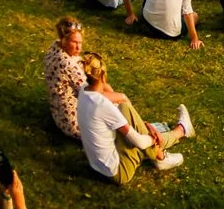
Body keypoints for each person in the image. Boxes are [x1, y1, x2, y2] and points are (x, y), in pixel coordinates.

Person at [74, 52, 192, 182]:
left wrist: (146, 126)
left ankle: (178, 132)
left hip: (97, 164)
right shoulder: (102, 105)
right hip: (118, 171)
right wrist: (153, 138)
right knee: (142, 139)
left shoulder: (84, 92)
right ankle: (168, 148)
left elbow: (116, 104)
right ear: (103, 77)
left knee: (126, 110)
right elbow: (140, 142)